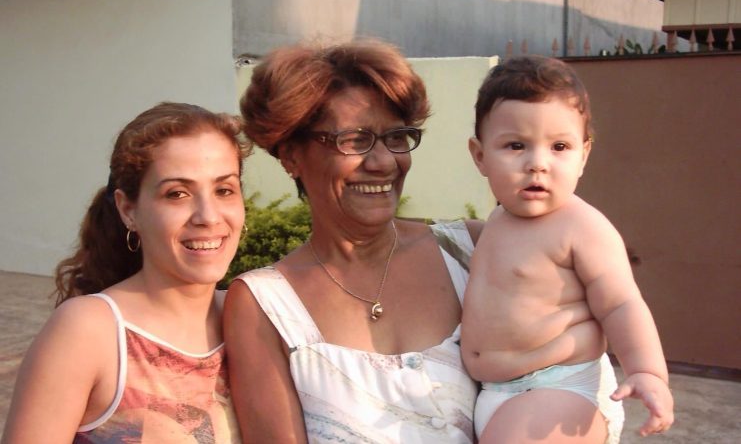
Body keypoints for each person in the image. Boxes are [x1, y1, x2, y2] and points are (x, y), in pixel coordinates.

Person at [225, 39, 483, 443]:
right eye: (355, 140)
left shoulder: (474, 251)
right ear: (291, 156)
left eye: (396, 137)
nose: (383, 162)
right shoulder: (264, 305)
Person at [2, 102, 249, 443]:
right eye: (177, 194)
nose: (208, 216)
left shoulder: (251, 318)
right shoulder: (89, 331)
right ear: (128, 209)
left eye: (224, 190)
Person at [462, 55, 674, 443]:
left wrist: (647, 372)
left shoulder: (582, 227)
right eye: (515, 146)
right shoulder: (498, 220)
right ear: (480, 156)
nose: (537, 164)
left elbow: (621, 304)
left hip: (560, 387)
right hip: (494, 393)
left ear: (583, 156)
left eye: (559, 146)